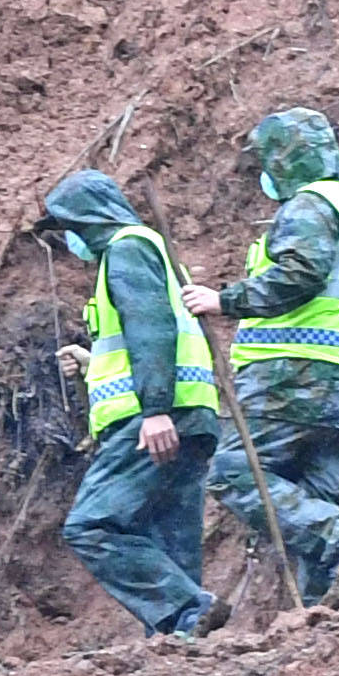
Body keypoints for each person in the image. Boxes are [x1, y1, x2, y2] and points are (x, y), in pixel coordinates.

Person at [202, 106, 339, 604]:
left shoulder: (309, 205)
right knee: (319, 496)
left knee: (234, 472)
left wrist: (224, 300)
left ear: (288, 157)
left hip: (293, 378)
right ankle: (321, 619)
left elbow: (301, 274)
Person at [46, 170, 224, 637]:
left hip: (153, 420)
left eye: (69, 226)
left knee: (92, 525)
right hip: (192, 414)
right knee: (171, 541)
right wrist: (92, 364)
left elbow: (152, 328)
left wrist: (155, 410)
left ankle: (188, 608)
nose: (70, 239)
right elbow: (138, 341)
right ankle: (181, 643)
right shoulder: (146, 250)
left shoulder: (125, 250)